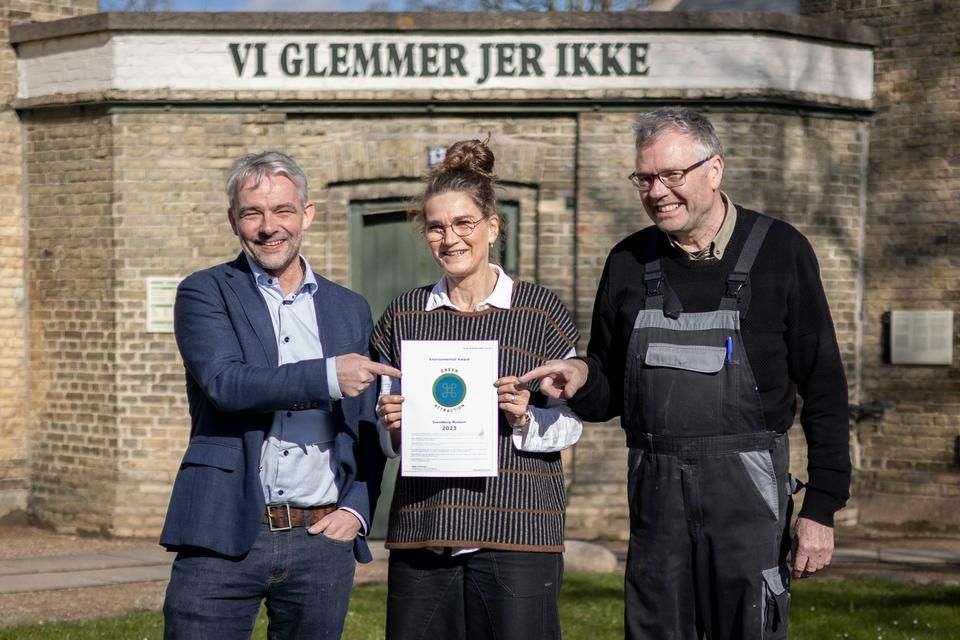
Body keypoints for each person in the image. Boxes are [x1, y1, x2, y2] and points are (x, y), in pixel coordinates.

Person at [522, 107, 851, 639]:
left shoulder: (781, 252)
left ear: (714, 169)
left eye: (672, 175)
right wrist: (581, 379)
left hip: (749, 493)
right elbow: (609, 386)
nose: (657, 192)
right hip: (657, 499)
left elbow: (825, 387)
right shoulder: (628, 261)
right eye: (645, 178)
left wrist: (822, 506)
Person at [160, 151, 401, 639]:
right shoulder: (206, 292)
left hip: (321, 538)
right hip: (224, 531)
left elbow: (365, 423)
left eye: (283, 211)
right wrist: (327, 376)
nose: (269, 227)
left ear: (306, 214)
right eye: (253, 213)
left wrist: (356, 509)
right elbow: (227, 383)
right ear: (234, 220)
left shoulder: (348, 308)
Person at [371, 138, 583, 640]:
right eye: (437, 228)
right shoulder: (402, 317)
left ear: (492, 226)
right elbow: (384, 436)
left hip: (518, 534)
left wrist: (525, 419)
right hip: (425, 531)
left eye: (463, 224)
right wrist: (393, 426)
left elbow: (572, 424)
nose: (450, 239)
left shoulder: (540, 312)